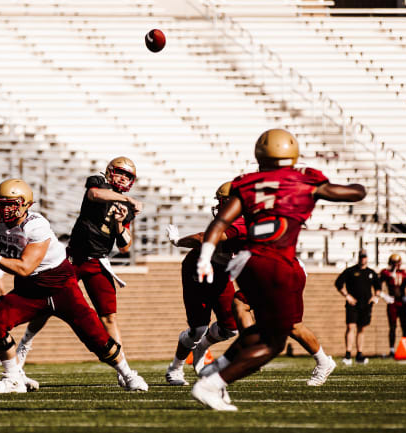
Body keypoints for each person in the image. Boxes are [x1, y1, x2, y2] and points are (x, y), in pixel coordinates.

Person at [193, 128, 366, 411]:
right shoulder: (303, 181)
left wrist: (206, 255)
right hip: (277, 264)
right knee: (275, 341)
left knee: (260, 325)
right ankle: (212, 384)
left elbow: (220, 222)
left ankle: (216, 371)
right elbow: (352, 194)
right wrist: (360, 186)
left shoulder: (247, 183)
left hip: (246, 263)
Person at [0, 178, 148, 393]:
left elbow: (25, 267)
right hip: (30, 289)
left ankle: (128, 374)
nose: (5, 209)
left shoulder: (36, 224)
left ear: (26, 205)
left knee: (96, 337)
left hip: (60, 285)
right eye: (1, 203)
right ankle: (12, 377)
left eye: (11, 204)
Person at [15, 157, 143, 387]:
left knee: (109, 316)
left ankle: (121, 369)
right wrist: (125, 198)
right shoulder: (99, 183)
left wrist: (119, 223)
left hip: (97, 262)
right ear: (110, 171)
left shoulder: (126, 208)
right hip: (73, 258)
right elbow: (94, 195)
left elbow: (125, 245)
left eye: (128, 176)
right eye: (120, 173)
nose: (123, 178)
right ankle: (24, 346)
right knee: (46, 302)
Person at [163, 182, 244, 386]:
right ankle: (175, 368)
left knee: (231, 328)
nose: (219, 205)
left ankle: (202, 346)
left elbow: (203, 237)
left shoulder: (243, 222)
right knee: (197, 329)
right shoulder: (240, 221)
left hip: (222, 273)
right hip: (198, 269)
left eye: (222, 201)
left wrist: (177, 241)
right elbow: (203, 239)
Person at [335, 250, 382, 365]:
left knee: (361, 329)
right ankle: (348, 354)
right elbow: (338, 283)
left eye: (364, 257)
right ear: (358, 258)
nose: (363, 259)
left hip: (365, 305)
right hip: (353, 304)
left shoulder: (371, 273)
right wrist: (347, 296)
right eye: (361, 257)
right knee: (351, 327)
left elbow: (378, 287)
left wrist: (375, 297)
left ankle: (359, 354)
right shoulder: (351, 271)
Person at [379, 254, 406, 357]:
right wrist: (384, 296)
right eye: (393, 262)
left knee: (405, 326)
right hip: (392, 302)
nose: (396, 265)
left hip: (402, 301)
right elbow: (377, 285)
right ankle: (392, 350)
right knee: (392, 327)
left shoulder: (405, 272)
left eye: (397, 262)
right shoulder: (385, 272)